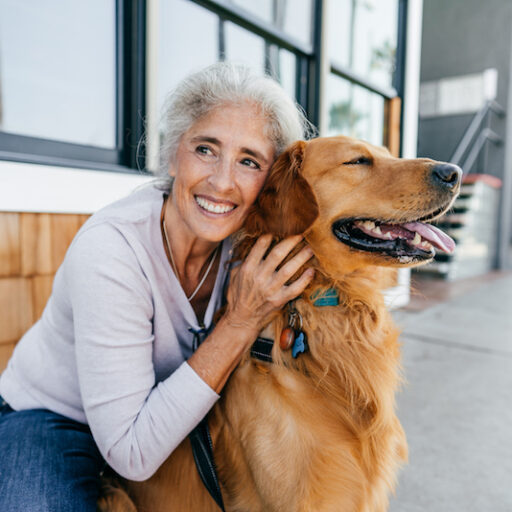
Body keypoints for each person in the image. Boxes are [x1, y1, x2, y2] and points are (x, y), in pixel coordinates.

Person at [0, 62, 315, 511]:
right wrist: (241, 321)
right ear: (172, 154)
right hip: (52, 416)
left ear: (269, 180)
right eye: (206, 149)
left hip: (169, 419)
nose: (222, 181)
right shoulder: (111, 249)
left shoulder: (248, 243)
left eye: (249, 161)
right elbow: (131, 452)